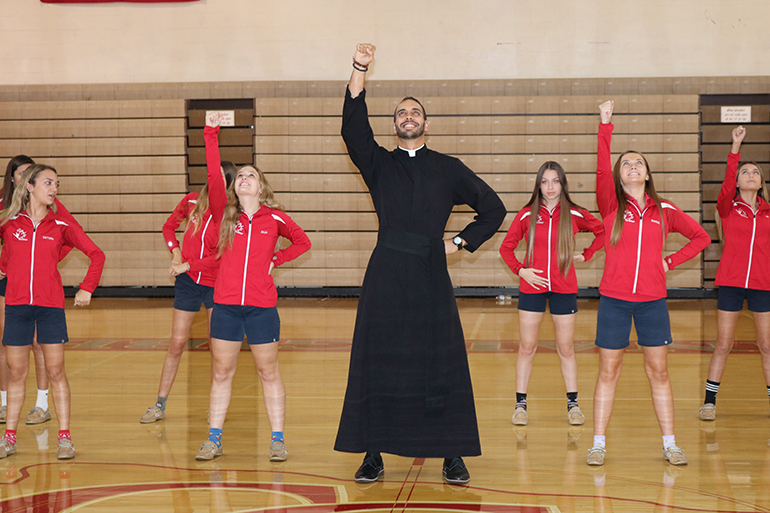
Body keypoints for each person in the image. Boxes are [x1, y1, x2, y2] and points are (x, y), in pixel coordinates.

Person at [334, 44, 507, 485]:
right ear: (395, 125)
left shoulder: (449, 169)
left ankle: (451, 452)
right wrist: (359, 70)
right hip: (386, 272)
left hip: (431, 272)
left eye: (414, 112)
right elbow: (353, 130)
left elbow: (493, 208)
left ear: (426, 123)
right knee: (378, 360)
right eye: (400, 113)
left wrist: (460, 242)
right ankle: (373, 452)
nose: (407, 117)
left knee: (440, 361)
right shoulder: (378, 165)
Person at [586, 101, 710, 467]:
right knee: (608, 371)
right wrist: (605, 125)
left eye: (639, 162)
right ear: (619, 175)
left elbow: (701, 237)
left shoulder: (666, 210)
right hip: (614, 302)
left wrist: (669, 261)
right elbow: (600, 165)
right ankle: (598, 444)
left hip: (653, 302)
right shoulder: (610, 205)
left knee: (659, 371)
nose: (633, 166)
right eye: (626, 163)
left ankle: (670, 443)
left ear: (648, 174)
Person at [196, 112, 310, 462]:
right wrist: (211, 132)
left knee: (268, 371)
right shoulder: (223, 214)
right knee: (222, 372)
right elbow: (214, 172)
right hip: (227, 307)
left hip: (261, 308)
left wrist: (276, 260)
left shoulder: (274, 218)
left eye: (252, 176)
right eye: (241, 176)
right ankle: (213, 439)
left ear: (262, 187)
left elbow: (302, 242)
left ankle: (277, 438)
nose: (244, 178)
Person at [0, 164, 105, 460]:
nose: (54, 189)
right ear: (29, 187)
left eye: (57, 184)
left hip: (50, 309)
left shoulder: (61, 226)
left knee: (56, 370)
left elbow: (97, 254)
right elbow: (8, 257)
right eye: (48, 183)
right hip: (17, 307)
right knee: (16, 372)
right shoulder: (9, 222)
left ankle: (64, 437)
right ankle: (9, 438)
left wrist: (87, 287)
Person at [499, 161, 604, 427]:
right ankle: (520, 404)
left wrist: (588, 254)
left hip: (564, 287)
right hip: (532, 288)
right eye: (545, 181)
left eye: (555, 181)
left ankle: (573, 405)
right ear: (539, 184)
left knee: (566, 348)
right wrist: (522, 271)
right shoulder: (526, 215)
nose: (550, 187)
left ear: (562, 183)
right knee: (527, 346)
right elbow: (506, 248)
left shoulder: (575, 214)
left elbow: (602, 232)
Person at [140, 162, 236, 423]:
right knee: (177, 343)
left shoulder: (231, 214)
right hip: (188, 282)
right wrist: (175, 251)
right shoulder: (192, 201)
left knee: (217, 348)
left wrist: (189, 264)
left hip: (217, 284)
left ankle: (215, 407)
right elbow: (168, 227)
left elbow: (221, 257)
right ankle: (159, 404)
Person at [0, 156, 81, 427]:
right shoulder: (7, 212)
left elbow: (75, 236)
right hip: (14, 285)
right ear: (16, 180)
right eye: (20, 173)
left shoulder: (53, 212)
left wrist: (48, 256)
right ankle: (5, 409)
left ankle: (43, 404)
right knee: (10, 352)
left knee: (43, 350)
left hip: (45, 294)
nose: (53, 188)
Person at [700, 125, 770, 421]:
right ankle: (709, 402)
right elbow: (727, 184)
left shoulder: (768, 211)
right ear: (738, 181)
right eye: (745, 172)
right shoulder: (728, 207)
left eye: (755, 172)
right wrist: (735, 148)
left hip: (763, 285)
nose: (750, 175)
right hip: (730, 283)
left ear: (762, 182)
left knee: (767, 345)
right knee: (724, 344)